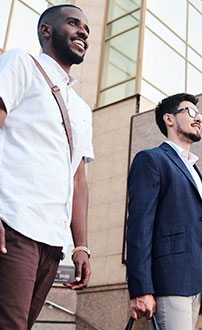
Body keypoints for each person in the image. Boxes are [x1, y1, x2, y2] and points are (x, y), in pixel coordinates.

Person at [0, 4, 94, 330]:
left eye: (86, 28)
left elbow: (78, 179)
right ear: (46, 30)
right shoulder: (19, 63)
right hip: (13, 223)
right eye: (73, 23)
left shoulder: (81, 109)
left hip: (53, 243)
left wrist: (80, 245)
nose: (83, 31)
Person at [126, 93, 202, 330]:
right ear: (169, 119)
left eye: (200, 115)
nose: (198, 118)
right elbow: (139, 226)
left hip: (197, 286)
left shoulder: (195, 170)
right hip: (168, 281)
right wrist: (141, 288)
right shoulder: (151, 159)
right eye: (190, 112)